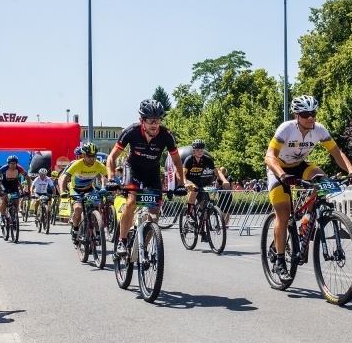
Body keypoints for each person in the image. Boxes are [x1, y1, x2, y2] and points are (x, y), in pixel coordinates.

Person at [264, 95, 352, 279]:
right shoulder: (286, 129)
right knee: (283, 213)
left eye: (313, 113)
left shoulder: (319, 130)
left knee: (322, 180)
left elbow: (337, 153)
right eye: (305, 114)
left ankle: (307, 220)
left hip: (300, 165)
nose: (310, 117)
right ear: (296, 116)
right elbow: (269, 156)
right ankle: (279, 261)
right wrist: (282, 175)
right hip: (279, 168)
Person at [107, 99, 184, 256]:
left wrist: (181, 184)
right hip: (132, 169)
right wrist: (110, 178)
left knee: (155, 213)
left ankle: (143, 248)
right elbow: (111, 158)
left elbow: (176, 161)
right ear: (141, 120)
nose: (155, 124)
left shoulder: (166, 135)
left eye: (158, 120)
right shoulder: (131, 131)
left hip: (152, 171)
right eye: (150, 121)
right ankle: (122, 241)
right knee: (131, 202)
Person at [59, 142, 108, 242]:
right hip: (76, 189)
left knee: (97, 206)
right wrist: (62, 192)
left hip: (89, 189)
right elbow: (64, 178)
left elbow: (106, 176)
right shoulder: (76, 164)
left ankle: (98, 233)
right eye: (89, 156)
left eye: (94, 156)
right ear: (84, 155)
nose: (92, 158)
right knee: (78, 209)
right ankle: (75, 229)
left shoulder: (98, 165)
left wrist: (106, 187)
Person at [182, 139, 230, 222]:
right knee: (194, 190)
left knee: (204, 204)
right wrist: (185, 183)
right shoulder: (189, 159)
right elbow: (183, 173)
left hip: (199, 180)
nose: (200, 152)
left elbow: (217, 171)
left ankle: (202, 227)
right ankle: (189, 214)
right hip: (189, 180)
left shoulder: (206, 159)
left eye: (201, 150)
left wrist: (224, 180)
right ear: (194, 151)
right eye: (197, 150)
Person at [0, 155, 30, 226]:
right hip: (4, 184)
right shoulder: (3, 168)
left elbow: (28, 178)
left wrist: (28, 190)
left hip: (13, 184)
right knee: (4, 198)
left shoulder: (19, 168)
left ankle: (14, 215)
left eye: (14, 163)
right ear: (8, 163)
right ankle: (3, 217)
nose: (13, 165)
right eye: (11, 163)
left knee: (17, 199)